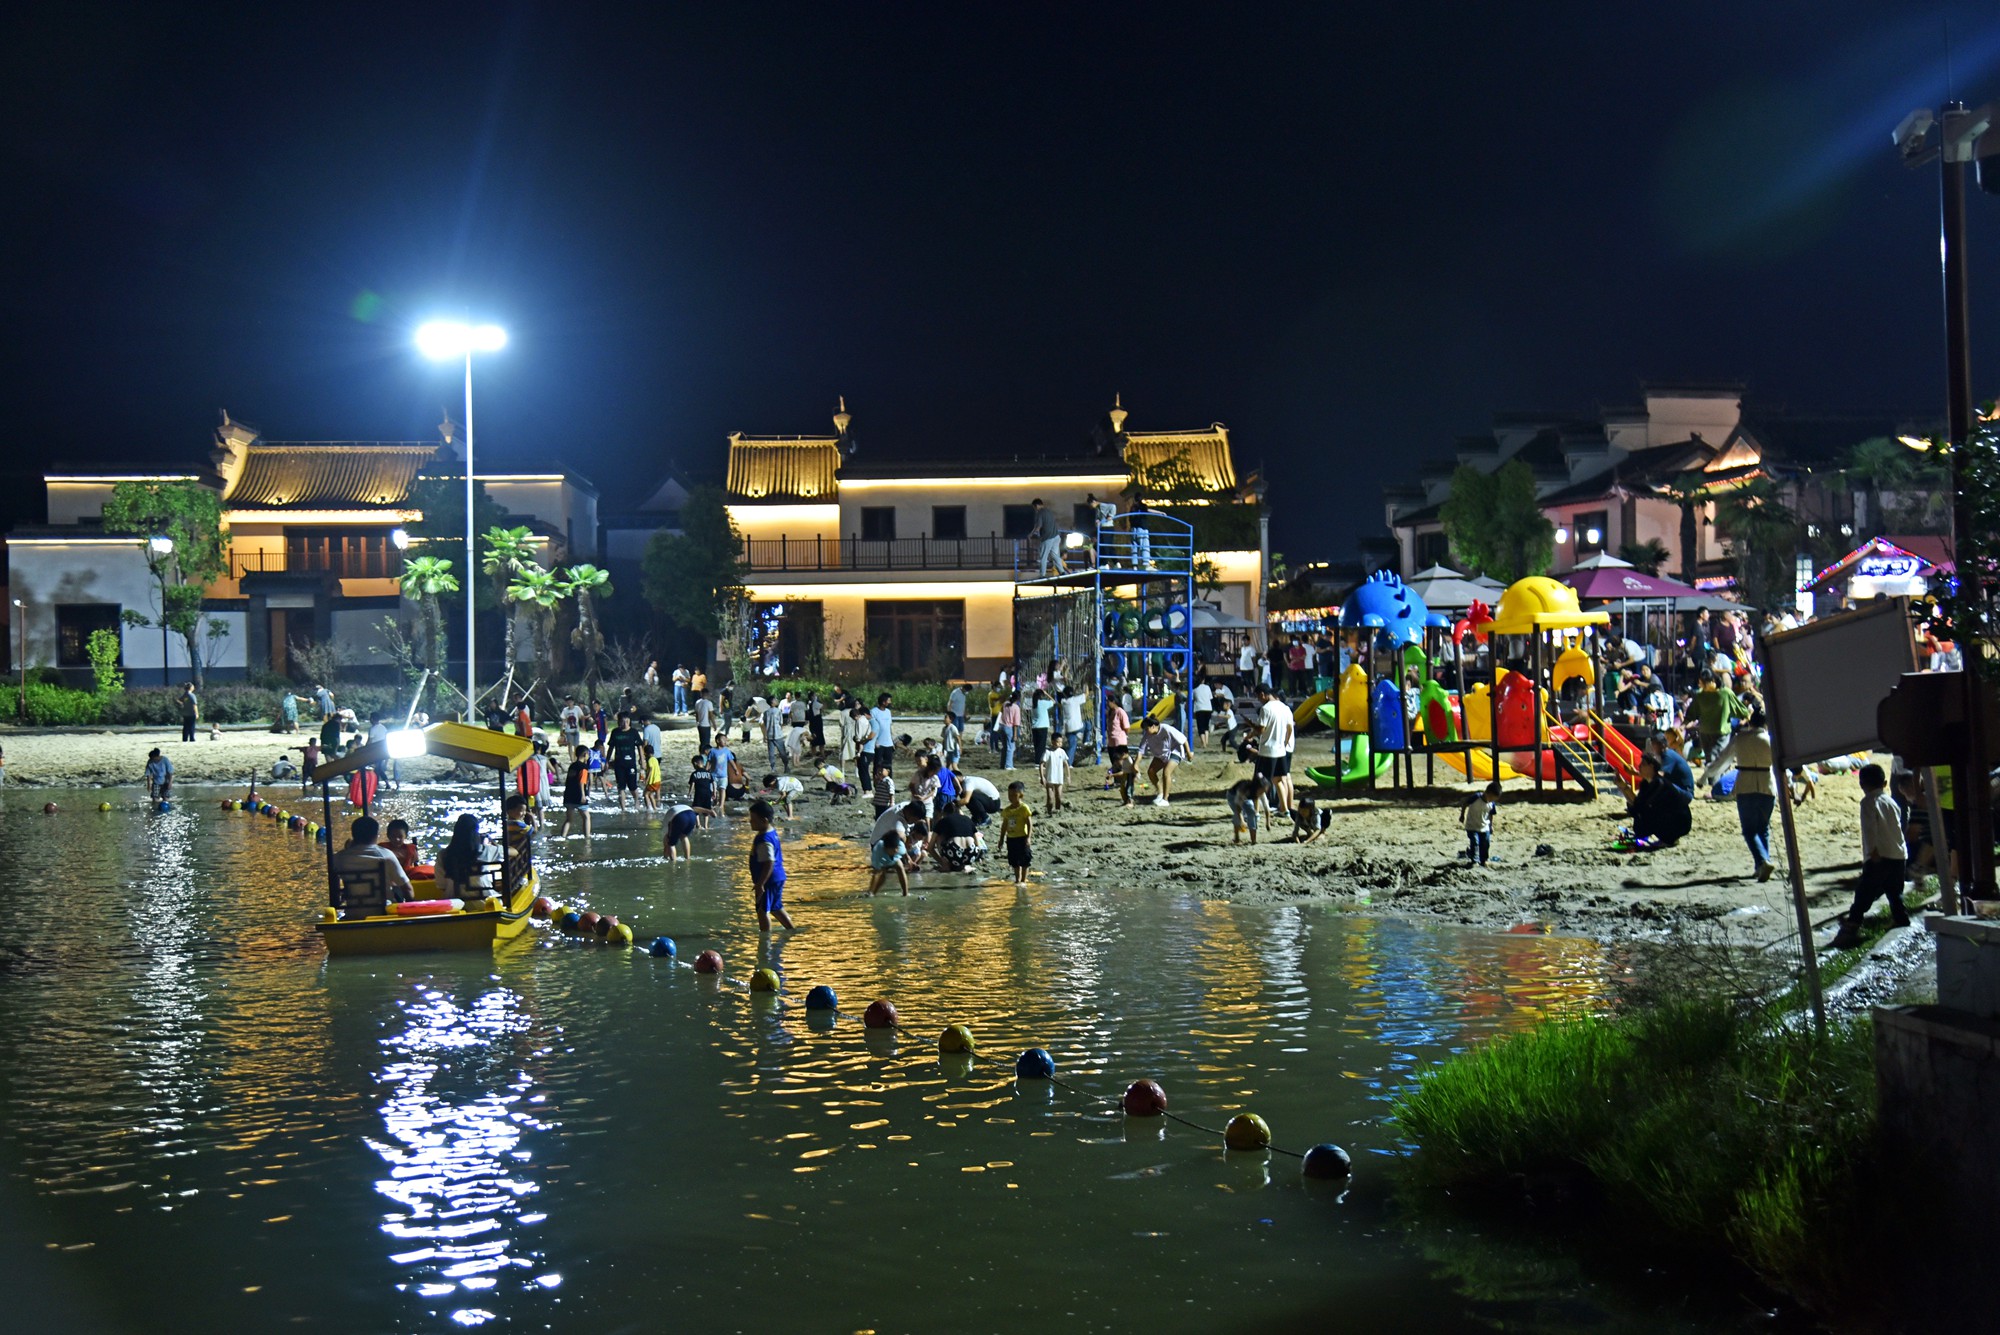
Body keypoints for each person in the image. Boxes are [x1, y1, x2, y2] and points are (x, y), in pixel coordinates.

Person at [1833, 764, 1910, 948]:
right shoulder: (1892, 802)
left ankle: (1853, 921)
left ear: (1862, 784)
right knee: (1894, 891)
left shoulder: (1868, 802)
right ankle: (1901, 918)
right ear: (1884, 783)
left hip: (1879, 855)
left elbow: (1870, 828)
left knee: (1864, 891)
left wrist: (1872, 851)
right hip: (1898, 854)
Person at [1701, 705, 1776, 880]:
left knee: (1749, 830)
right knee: (1763, 828)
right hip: (1767, 785)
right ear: (1765, 724)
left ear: (1750, 722)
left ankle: (1763, 861)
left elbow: (1722, 761)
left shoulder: (1740, 739)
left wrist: (1705, 776)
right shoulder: (1772, 740)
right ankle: (1762, 864)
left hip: (1746, 785)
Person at [333, 815, 415, 912]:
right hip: (383, 914)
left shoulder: (338, 858)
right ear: (376, 835)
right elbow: (408, 890)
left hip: (352, 914)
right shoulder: (386, 856)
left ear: (353, 835)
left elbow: (335, 892)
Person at [1622, 756, 1692, 850]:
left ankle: (1669, 839)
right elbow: (1637, 804)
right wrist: (1623, 787)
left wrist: (1625, 788)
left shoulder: (1659, 783)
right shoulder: (1646, 783)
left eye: (1643, 764)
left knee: (1643, 815)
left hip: (1680, 822)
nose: (1639, 767)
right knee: (1638, 814)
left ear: (1651, 767)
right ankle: (1667, 838)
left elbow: (1641, 807)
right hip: (1670, 817)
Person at [747, 799, 796, 931]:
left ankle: (765, 939)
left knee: (762, 910)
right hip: (778, 877)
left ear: (764, 821)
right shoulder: (770, 832)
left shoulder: (764, 840)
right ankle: (791, 930)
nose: (750, 821)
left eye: (753, 819)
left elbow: (769, 863)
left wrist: (760, 884)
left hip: (769, 880)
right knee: (776, 907)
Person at [1254, 684, 1296, 815]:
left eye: (1258, 697)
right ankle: (1284, 808)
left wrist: (1252, 727)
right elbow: (1290, 728)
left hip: (1267, 750)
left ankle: (1255, 812)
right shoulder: (1285, 708)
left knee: (1258, 781)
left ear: (1262, 694)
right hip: (1281, 750)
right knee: (1279, 780)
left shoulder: (1265, 709)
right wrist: (1285, 742)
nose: (1259, 700)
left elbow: (1261, 730)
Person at [1137, 715, 1190, 807]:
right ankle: (1160, 793)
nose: (1145, 731)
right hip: (1161, 754)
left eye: (1146, 728)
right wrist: (1136, 764)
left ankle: (1165, 799)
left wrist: (1189, 753)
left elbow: (1183, 739)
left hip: (1175, 751)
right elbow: (1141, 750)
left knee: (1166, 772)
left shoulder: (1166, 728)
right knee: (1151, 772)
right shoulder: (1147, 735)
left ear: (1153, 726)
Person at [434, 814, 488, 898]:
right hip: (482, 901)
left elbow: (442, 886)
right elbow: (513, 852)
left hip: (453, 902)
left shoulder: (443, 855)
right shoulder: (485, 851)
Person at [868, 816, 911, 896]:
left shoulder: (900, 847)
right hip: (882, 859)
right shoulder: (878, 850)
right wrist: (870, 890)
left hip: (894, 859)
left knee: (900, 867)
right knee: (882, 874)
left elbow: (905, 853)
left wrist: (909, 860)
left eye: (896, 849)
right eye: (892, 850)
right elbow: (876, 872)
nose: (895, 851)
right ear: (886, 848)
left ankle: (905, 894)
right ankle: (872, 892)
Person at [1001, 780, 1034, 885]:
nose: (1011, 797)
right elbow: (1004, 825)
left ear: (1021, 795)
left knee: (1025, 859)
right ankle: (1017, 879)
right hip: (1011, 838)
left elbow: (1029, 823)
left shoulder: (1024, 808)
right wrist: (1001, 839)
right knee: (1014, 860)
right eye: (1009, 795)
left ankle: (1024, 880)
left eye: (1014, 795)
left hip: (1022, 837)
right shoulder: (1007, 810)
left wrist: (1028, 837)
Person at [1461, 781, 1500, 866]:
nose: (1491, 800)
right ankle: (1474, 860)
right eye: (1491, 798)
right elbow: (1465, 804)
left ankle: (1484, 860)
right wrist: (1462, 815)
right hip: (1472, 825)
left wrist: (1491, 826)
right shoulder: (1476, 797)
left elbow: (1491, 814)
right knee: (1475, 842)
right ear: (1487, 792)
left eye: (1494, 799)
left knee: (1485, 843)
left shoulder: (1491, 804)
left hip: (1484, 826)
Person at [556, 746, 592, 837]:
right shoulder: (583, 767)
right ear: (585, 754)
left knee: (569, 819)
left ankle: (563, 836)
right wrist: (583, 795)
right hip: (578, 795)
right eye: (588, 754)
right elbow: (582, 782)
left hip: (569, 795)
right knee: (586, 817)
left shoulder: (572, 765)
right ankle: (587, 837)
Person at [1226, 774, 1270, 844]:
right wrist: (1241, 820)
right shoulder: (1243, 788)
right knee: (1237, 816)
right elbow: (1238, 806)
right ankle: (1236, 838)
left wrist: (1268, 823)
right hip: (1233, 796)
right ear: (1256, 788)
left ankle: (1253, 840)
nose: (1263, 793)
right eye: (1262, 790)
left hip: (1246, 798)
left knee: (1252, 813)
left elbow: (1266, 807)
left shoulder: (1261, 792)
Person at [1029, 497, 1063, 576]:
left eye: (1034, 507)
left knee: (1043, 557)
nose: (1035, 509)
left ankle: (1042, 575)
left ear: (1036, 506)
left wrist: (1033, 534)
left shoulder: (1040, 513)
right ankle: (1062, 572)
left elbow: (1038, 526)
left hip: (1047, 538)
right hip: (1056, 536)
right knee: (1055, 556)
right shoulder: (1049, 511)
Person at [1040, 737, 1070, 813]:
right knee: (1050, 797)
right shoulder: (1047, 752)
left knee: (1058, 796)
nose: (1060, 743)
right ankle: (1049, 811)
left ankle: (1057, 811)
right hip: (1050, 778)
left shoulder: (1062, 752)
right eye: (1058, 742)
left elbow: (1066, 764)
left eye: (1061, 742)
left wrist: (1068, 776)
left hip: (1059, 777)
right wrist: (1042, 777)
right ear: (1052, 742)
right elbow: (1041, 764)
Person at [1060, 685, 1087, 763]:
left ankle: (1069, 764)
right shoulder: (1076, 699)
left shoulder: (1063, 702)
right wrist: (1087, 685)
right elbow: (1086, 694)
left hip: (1068, 728)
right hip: (1078, 726)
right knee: (1087, 725)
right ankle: (1085, 739)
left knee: (1072, 746)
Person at [1191, 679, 1213, 747]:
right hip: (1208, 708)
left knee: (1201, 727)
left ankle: (1203, 743)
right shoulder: (1207, 687)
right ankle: (1206, 741)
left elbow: (1192, 699)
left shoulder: (1194, 689)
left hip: (1199, 709)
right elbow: (1210, 697)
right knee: (1206, 726)